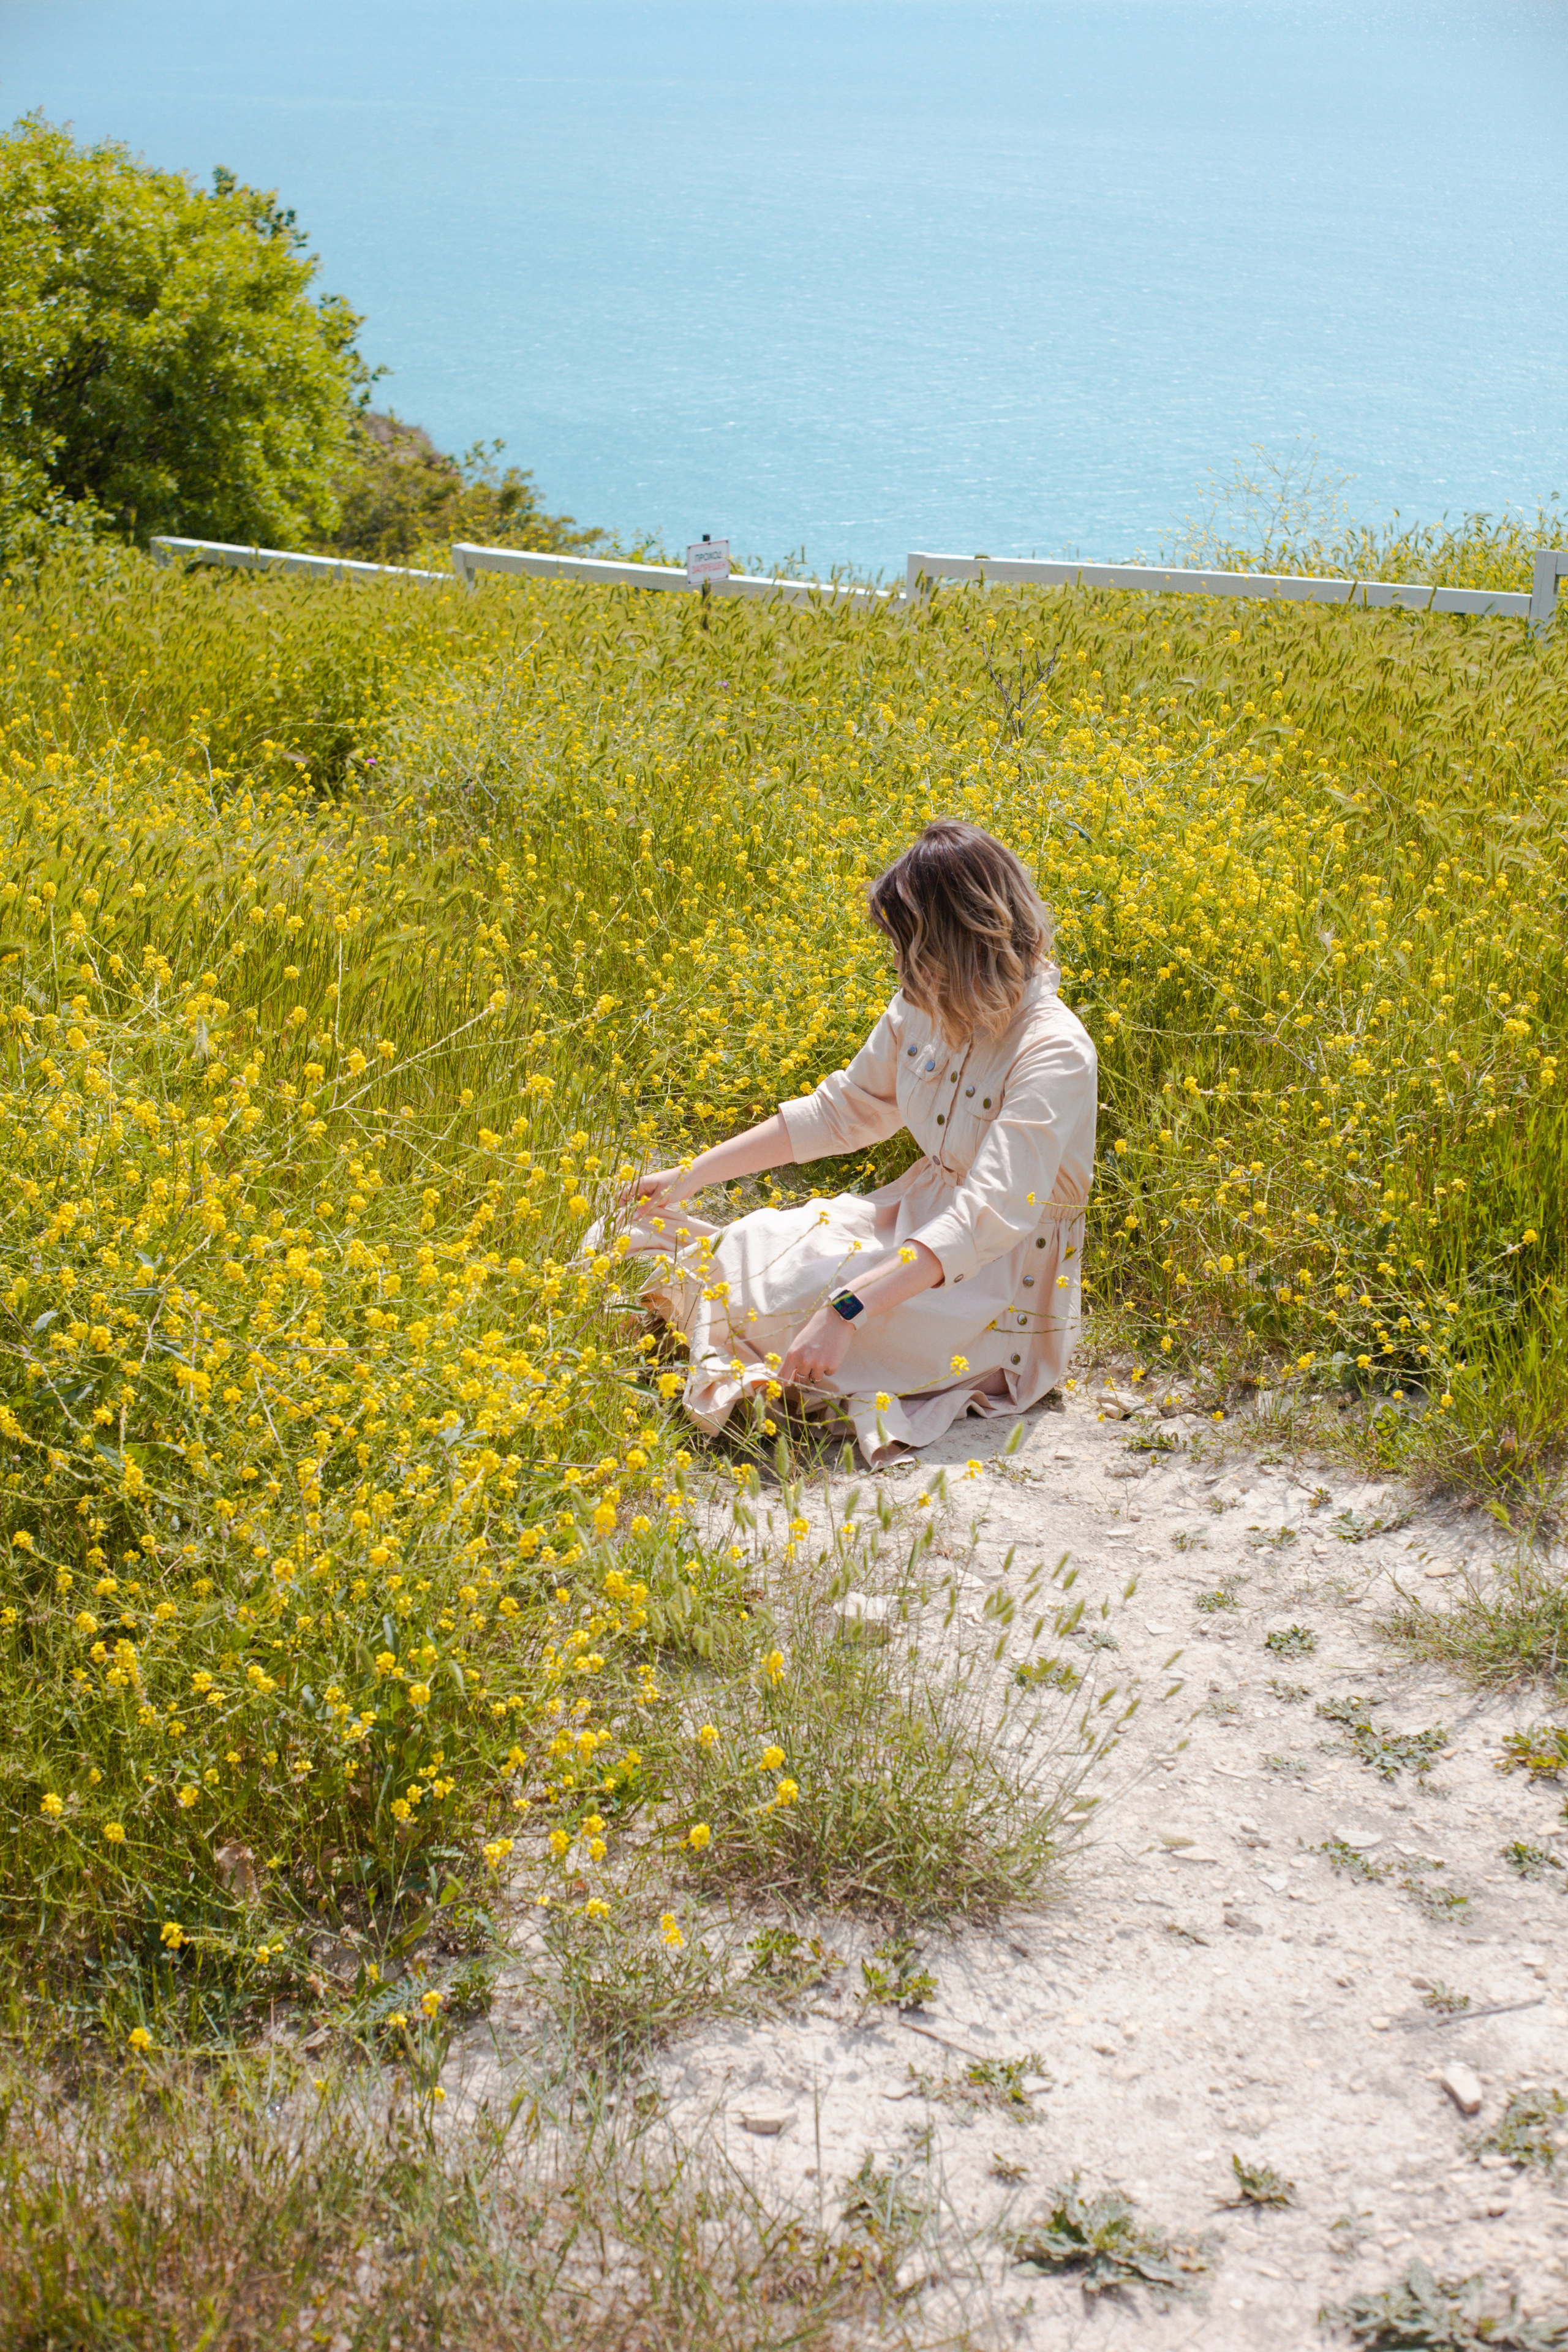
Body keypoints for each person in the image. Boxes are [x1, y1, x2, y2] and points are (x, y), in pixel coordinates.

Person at [627, 819, 1098, 1460]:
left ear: (963, 942)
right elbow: (841, 1111)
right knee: (746, 1254)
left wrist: (846, 1312)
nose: (901, 966)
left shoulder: (1054, 1049)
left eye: (914, 947)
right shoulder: (927, 1003)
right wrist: (688, 1176)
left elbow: (986, 1218)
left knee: (787, 1305)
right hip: (913, 1223)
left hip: (994, 1283)